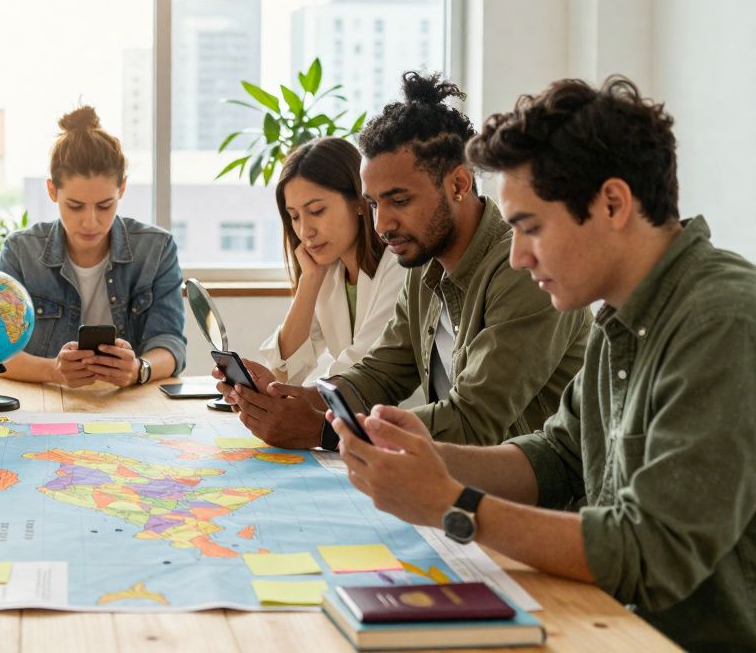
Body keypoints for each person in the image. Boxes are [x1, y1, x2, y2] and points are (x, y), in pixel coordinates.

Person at [327, 76, 756, 651]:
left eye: (530, 227)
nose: (516, 256)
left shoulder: (721, 320)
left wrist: (452, 504)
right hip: (609, 623)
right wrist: (428, 457)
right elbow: (558, 457)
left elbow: (652, 553)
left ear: (612, 204)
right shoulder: (620, 318)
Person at [218, 72, 590, 448]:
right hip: (454, 472)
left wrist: (323, 431)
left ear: (459, 184)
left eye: (399, 201)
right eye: (374, 204)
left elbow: (473, 421)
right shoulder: (424, 266)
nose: (382, 225)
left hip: (529, 482)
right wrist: (289, 398)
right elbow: (378, 375)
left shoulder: (525, 270)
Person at [0, 105, 185, 388]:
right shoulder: (20, 251)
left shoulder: (156, 249)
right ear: (52, 190)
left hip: (128, 402)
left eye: (105, 205)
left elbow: (170, 342)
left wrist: (138, 369)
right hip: (47, 400)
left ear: (122, 188)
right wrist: (53, 371)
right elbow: (0, 352)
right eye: (75, 206)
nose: (90, 221)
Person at [257, 137, 402, 385]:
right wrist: (310, 280)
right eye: (294, 217)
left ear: (359, 203)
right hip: (349, 407)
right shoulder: (329, 271)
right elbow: (285, 373)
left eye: (317, 211)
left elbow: (363, 370)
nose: (305, 232)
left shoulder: (398, 266)